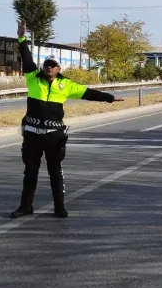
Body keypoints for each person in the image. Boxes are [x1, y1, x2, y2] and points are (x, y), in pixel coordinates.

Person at [11, 19, 124, 219]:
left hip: (53, 136)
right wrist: (22, 37)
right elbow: (27, 58)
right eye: (47, 64)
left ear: (59, 69)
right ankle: (25, 206)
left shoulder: (66, 85)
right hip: (32, 136)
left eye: (53, 65)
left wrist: (110, 98)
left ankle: (59, 208)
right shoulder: (33, 78)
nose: (48, 67)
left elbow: (89, 92)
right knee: (30, 172)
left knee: (55, 172)